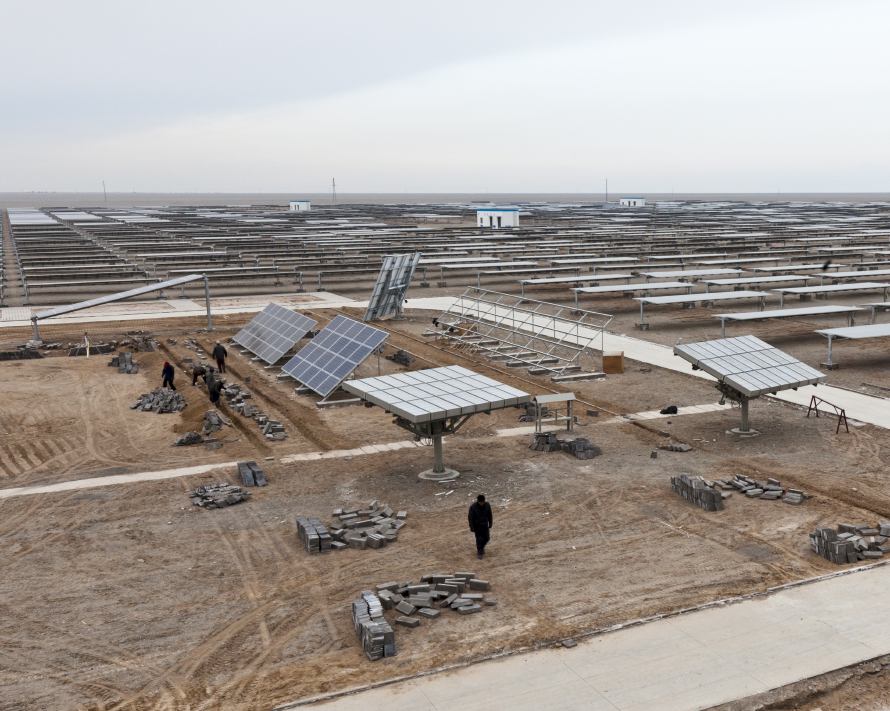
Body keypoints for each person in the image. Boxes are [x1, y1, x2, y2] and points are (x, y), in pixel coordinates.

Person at [468, 494, 493, 559]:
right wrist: (471, 527)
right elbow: (470, 518)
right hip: (477, 526)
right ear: (478, 501)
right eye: (481, 502)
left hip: (485, 525)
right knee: (479, 540)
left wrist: (490, 523)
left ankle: (481, 548)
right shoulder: (473, 507)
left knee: (487, 538)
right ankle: (479, 552)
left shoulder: (487, 505)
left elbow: (490, 514)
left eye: (483, 502)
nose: (482, 503)